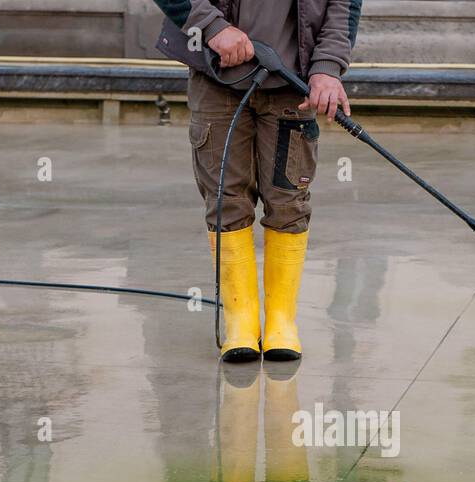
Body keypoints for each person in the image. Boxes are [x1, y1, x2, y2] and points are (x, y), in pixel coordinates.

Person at [154, 1, 361, 362]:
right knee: (225, 200)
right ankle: (241, 322)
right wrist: (213, 27)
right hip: (216, 76)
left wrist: (328, 67)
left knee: (288, 200)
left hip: (291, 82)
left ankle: (282, 320)